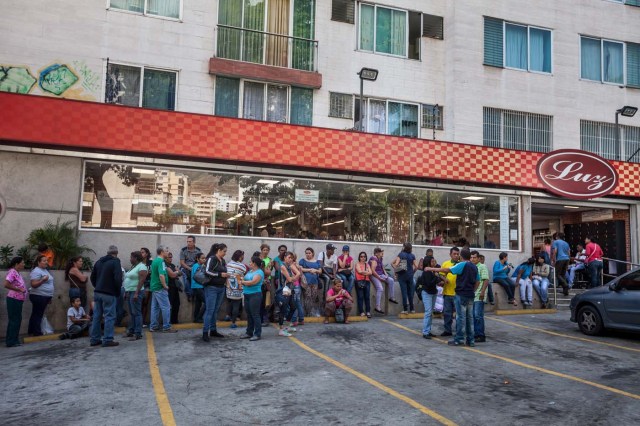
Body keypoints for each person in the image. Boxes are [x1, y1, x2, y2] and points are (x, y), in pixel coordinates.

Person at [426, 248, 479, 347]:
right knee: (470, 318)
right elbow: (478, 281)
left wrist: (431, 268)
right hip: (470, 295)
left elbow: (447, 270)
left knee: (461, 318)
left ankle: (459, 339)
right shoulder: (474, 267)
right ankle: (470, 340)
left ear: (461, 256)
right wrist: (473, 290)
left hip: (461, 294)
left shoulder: (462, 264)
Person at [89, 245, 123, 347]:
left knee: (96, 316)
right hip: (109, 293)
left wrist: (97, 286)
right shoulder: (115, 261)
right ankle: (108, 339)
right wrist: (117, 291)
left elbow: (92, 277)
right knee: (109, 316)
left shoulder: (99, 262)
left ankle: (94, 339)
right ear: (116, 253)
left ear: (107, 252)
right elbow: (118, 278)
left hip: (98, 292)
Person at [202, 243, 229, 342]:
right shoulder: (212, 259)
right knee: (210, 310)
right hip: (211, 288)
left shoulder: (223, 261)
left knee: (215, 310)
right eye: (224, 251)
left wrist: (226, 276)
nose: (225, 253)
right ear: (219, 250)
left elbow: (223, 272)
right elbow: (207, 271)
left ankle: (213, 330)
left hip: (221, 288)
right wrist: (220, 274)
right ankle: (205, 332)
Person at [149, 246, 177, 333]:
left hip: (155, 287)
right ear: (162, 252)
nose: (168, 252)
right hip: (160, 287)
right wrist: (165, 285)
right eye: (166, 251)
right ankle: (166, 327)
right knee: (166, 307)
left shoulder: (155, 261)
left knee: (155, 308)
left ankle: (153, 326)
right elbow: (161, 275)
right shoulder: (161, 261)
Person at [238, 256, 265, 341]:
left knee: (255, 314)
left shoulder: (259, 272)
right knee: (249, 314)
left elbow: (253, 282)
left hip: (255, 295)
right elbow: (246, 280)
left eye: (251, 262)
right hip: (246, 294)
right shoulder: (250, 271)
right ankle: (249, 332)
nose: (249, 263)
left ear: (254, 263)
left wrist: (242, 282)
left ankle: (257, 334)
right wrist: (240, 278)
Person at [123, 251, 148, 340]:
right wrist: (126, 292)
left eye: (131, 257)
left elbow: (141, 280)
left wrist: (136, 293)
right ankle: (131, 331)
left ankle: (138, 333)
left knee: (137, 313)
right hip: (130, 292)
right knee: (132, 313)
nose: (130, 259)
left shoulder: (142, 267)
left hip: (136, 292)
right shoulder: (134, 267)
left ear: (136, 258)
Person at [28, 254, 55, 336]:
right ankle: (36, 332)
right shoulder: (36, 271)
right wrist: (43, 280)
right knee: (38, 314)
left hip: (45, 296)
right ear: (39, 262)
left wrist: (49, 297)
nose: (46, 262)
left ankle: (32, 330)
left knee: (36, 313)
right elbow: (33, 284)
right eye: (44, 261)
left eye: (47, 260)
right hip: (38, 296)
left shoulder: (45, 270)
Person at [417, 255, 442, 339]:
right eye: (432, 261)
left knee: (430, 312)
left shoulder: (432, 271)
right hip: (427, 293)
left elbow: (437, 281)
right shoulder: (426, 271)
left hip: (433, 292)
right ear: (428, 263)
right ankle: (425, 332)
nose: (434, 263)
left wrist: (437, 277)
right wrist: (435, 276)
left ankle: (428, 330)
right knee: (428, 312)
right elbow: (429, 283)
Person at [4, 256, 27, 347]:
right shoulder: (12, 272)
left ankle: (13, 340)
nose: (24, 264)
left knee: (16, 319)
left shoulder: (17, 273)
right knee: (14, 320)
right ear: (17, 264)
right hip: (13, 299)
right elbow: (6, 284)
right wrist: (19, 289)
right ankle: (11, 341)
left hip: (18, 300)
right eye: (22, 262)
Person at [276, 251, 299, 337]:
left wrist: (294, 277)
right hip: (284, 292)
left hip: (290, 290)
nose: (290, 260)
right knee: (283, 310)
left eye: (291, 258)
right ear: (285, 257)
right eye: (289, 257)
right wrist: (295, 276)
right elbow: (290, 279)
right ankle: (281, 329)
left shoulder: (289, 266)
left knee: (293, 307)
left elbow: (295, 276)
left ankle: (287, 326)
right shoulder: (282, 266)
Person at [392, 242, 419, 314]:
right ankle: (412, 309)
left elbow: (396, 264)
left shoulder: (401, 254)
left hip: (402, 276)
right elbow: (416, 267)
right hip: (410, 276)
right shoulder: (412, 255)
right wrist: (412, 272)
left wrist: (396, 269)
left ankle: (405, 309)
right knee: (410, 293)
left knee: (404, 292)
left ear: (404, 247)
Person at [369, 248, 398, 313]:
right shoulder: (374, 259)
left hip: (380, 274)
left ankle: (392, 297)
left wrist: (386, 274)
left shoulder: (380, 258)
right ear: (376, 253)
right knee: (380, 288)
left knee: (391, 280)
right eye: (381, 253)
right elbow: (373, 271)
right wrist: (379, 278)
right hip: (374, 275)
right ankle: (377, 307)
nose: (382, 255)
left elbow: (382, 268)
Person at [440, 247, 460, 336]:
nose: (456, 256)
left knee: (459, 315)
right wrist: (444, 279)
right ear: (450, 255)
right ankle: (447, 330)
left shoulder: (461, 264)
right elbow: (441, 274)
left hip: (458, 294)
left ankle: (459, 331)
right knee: (447, 313)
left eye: (457, 254)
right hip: (447, 293)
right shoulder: (445, 264)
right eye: (454, 254)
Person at [226, 250, 247, 328]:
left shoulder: (228, 264)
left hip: (229, 288)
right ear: (240, 257)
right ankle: (233, 322)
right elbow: (244, 274)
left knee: (230, 302)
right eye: (242, 256)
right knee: (236, 305)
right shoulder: (242, 266)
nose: (243, 258)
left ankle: (227, 316)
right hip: (238, 288)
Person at [299, 247, 322, 317]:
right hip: (306, 282)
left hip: (315, 282)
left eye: (309, 253)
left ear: (312, 253)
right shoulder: (302, 260)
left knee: (314, 297)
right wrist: (309, 270)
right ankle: (308, 313)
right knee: (307, 296)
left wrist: (315, 270)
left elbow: (320, 271)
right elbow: (300, 269)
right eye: (306, 253)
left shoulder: (317, 262)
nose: (308, 254)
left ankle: (313, 311)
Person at [472, 251, 489, 343]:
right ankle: (476, 334)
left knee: (478, 315)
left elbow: (486, 280)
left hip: (479, 295)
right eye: (471, 257)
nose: (473, 259)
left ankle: (481, 335)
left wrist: (482, 292)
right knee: (474, 316)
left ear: (478, 258)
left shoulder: (482, 266)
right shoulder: (472, 267)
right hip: (473, 295)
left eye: (474, 257)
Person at [179, 235, 201, 302]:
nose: (188, 243)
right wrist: (189, 268)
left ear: (194, 242)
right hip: (185, 268)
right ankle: (189, 294)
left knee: (196, 280)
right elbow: (182, 263)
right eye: (187, 241)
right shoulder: (183, 250)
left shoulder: (198, 251)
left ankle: (193, 294)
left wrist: (194, 269)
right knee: (186, 281)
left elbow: (199, 261)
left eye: (190, 241)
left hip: (194, 268)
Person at [288, 254, 305, 327]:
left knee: (294, 304)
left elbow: (298, 274)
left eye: (289, 257)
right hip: (297, 286)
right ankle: (301, 319)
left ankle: (294, 320)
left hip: (294, 286)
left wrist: (292, 279)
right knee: (298, 303)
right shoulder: (297, 265)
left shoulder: (292, 266)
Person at [166, 252, 182, 325]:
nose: (171, 258)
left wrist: (175, 272)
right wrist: (176, 273)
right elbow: (172, 275)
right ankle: (167, 321)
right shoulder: (165, 265)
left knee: (177, 304)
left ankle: (174, 320)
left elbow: (181, 273)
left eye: (171, 257)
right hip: (169, 287)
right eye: (169, 257)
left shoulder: (172, 265)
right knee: (169, 305)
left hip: (175, 287)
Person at [354, 251, 372, 318]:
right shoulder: (357, 264)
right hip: (359, 282)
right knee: (360, 297)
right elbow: (359, 271)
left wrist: (364, 272)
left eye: (364, 256)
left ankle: (368, 312)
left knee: (367, 297)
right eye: (361, 256)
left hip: (367, 281)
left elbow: (371, 273)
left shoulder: (367, 265)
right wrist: (366, 272)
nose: (363, 258)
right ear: (359, 257)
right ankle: (361, 312)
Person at [258, 244, 272, 325]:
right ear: (261, 250)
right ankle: (259, 319)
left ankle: (264, 319)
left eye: (267, 250)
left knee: (266, 302)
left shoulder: (270, 260)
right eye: (264, 250)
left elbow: (269, 272)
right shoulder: (258, 259)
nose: (265, 251)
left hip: (267, 283)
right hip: (258, 282)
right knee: (259, 301)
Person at [191, 253, 207, 323]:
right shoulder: (196, 266)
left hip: (198, 287)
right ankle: (199, 317)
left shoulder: (201, 266)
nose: (204, 259)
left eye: (204, 258)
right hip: (198, 287)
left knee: (198, 303)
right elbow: (196, 276)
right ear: (197, 259)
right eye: (202, 258)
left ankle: (196, 318)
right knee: (207, 302)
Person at [140, 247, 153, 327]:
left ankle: (143, 321)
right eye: (141, 252)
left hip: (148, 284)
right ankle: (139, 321)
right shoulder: (139, 262)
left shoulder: (150, 262)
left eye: (143, 252)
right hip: (139, 284)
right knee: (139, 303)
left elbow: (152, 272)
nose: (142, 253)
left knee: (145, 303)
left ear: (147, 254)